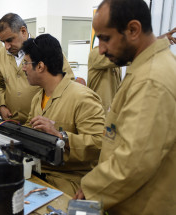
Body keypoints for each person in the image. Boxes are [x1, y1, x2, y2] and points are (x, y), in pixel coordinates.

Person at [74, 0, 176, 214]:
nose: (100, 49)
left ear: (133, 30)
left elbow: (134, 162)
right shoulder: (146, 68)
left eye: (105, 38)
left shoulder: (150, 80)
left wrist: (90, 188)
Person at [22, 34, 105, 196]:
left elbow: (99, 144)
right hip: (39, 170)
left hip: (70, 179)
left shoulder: (82, 98)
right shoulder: (38, 97)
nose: (23, 68)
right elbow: (29, 128)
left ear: (40, 66)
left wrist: (61, 137)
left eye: (26, 63)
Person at [0, 13, 74, 124]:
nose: (7, 47)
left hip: (42, 123)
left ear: (23, 31)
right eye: (3, 42)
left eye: (9, 40)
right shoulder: (0, 55)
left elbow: (67, 81)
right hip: (12, 122)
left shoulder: (44, 49)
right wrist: (1, 105)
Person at [87, 46, 121, 115]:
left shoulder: (117, 66)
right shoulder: (97, 53)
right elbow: (123, 57)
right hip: (99, 112)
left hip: (112, 111)